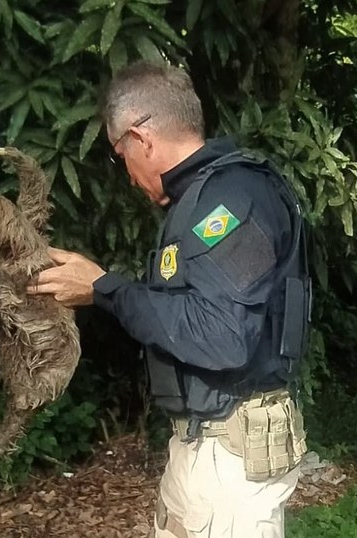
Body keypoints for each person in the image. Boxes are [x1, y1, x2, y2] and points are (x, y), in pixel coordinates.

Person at [29, 60, 310, 538]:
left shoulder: (234, 198)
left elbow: (222, 337)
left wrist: (103, 288)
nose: (127, 174)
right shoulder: (198, 201)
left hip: (232, 459)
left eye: (120, 156)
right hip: (201, 445)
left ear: (140, 140)